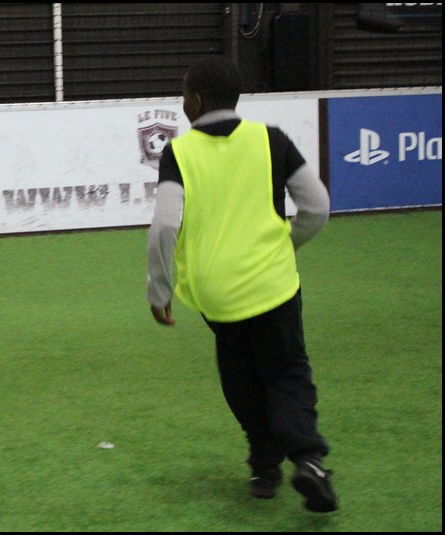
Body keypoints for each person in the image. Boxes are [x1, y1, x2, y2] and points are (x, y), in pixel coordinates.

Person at [146, 57, 337, 513]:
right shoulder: (273, 139)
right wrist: (286, 245)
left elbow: (165, 226)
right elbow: (317, 207)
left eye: (183, 93)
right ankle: (308, 460)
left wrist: (160, 290)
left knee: (240, 377)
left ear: (195, 100)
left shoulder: (178, 153)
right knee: (287, 373)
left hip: (216, 294)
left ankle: (264, 468)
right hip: (272, 286)